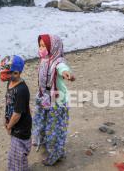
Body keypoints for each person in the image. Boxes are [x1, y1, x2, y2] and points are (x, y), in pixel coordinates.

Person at [32, 34, 75, 166]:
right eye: (40, 45)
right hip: (44, 98)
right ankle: (45, 143)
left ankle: (56, 154)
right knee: (42, 123)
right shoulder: (44, 60)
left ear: (53, 46)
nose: (41, 48)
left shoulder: (58, 61)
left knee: (54, 129)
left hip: (56, 103)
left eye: (44, 46)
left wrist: (66, 73)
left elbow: (62, 68)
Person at [2, 55, 32, 171]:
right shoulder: (10, 82)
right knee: (15, 155)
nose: (4, 75)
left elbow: (17, 114)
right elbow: (9, 102)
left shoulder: (22, 90)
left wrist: (9, 126)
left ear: (16, 73)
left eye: (7, 72)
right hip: (14, 125)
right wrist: (5, 119)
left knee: (18, 155)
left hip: (21, 128)